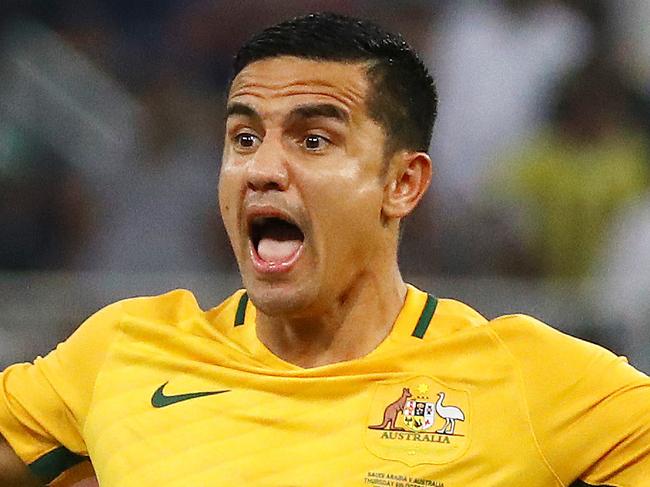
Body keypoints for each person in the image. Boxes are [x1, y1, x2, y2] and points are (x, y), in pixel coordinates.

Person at [0, 12, 648, 487]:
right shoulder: (123, 353)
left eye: (313, 140)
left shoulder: (528, 379)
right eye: (244, 138)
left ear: (402, 183)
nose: (262, 169)